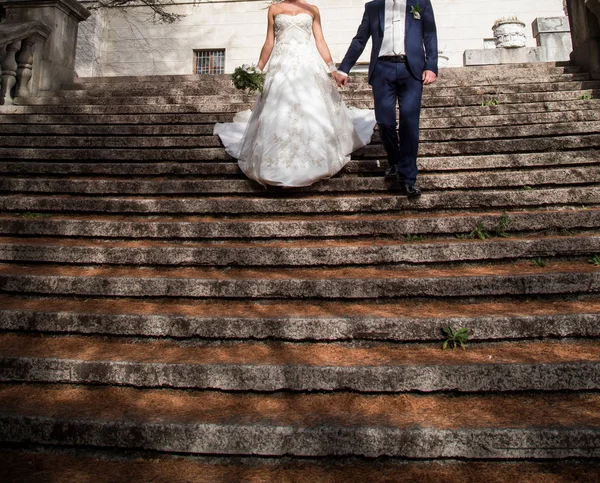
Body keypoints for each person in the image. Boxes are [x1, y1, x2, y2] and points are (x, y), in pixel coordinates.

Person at [214, 0, 376, 188]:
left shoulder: (313, 10)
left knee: (311, 107)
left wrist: (333, 69)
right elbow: (269, 42)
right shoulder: (274, 9)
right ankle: (275, 163)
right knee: (278, 109)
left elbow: (320, 41)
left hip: (307, 64)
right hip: (281, 65)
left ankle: (315, 158)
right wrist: (257, 69)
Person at [334, 0, 438, 198]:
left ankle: (408, 178)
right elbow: (360, 39)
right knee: (385, 122)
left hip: (411, 70)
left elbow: (430, 34)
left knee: (409, 122)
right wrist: (344, 68)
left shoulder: (420, 3)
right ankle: (394, 160)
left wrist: (431, 65)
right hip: (382, 69)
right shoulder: (373, 7)